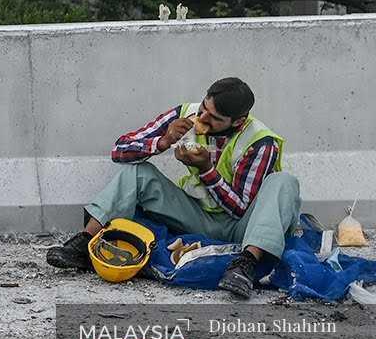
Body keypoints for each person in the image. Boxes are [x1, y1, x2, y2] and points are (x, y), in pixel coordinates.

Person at [46, 77, 300, 298]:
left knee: (284, 181)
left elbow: (239, 208)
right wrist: (163, 141)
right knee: (137, 172)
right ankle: (85, 242)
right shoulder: (185, 114)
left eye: (215, 118)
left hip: (243, 225)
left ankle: (245, 265)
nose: (203, 118)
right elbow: (119, 150)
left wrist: (206, 170)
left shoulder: (260, 142)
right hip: (196, 213)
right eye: (204, 109)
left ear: (238, 122)